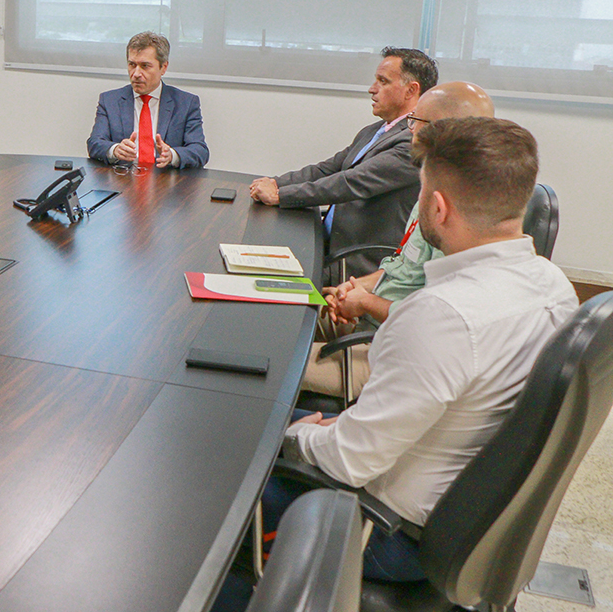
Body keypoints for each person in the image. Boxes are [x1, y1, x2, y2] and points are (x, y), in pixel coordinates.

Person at [218, 117, 577, 609]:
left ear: (438, 205)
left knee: (215, 488)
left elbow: (349, 459)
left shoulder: (442, 314)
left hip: (386, 530)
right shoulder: (554, 285)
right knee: (256, 420)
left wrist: (297, 436)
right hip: (468, 508)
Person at [304, 82, 496, 398]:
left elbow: (434, 323)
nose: (409, 130)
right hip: (370, 319)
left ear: (441, 130)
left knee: (273, 363)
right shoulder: (433, 183)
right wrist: (358, 287)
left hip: (393, 353)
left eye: (415, 122)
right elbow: (404, 266)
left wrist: (365, 302)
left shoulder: (462, 214)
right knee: (274, 322)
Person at [250, 47, 437, 280]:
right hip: (327, 239)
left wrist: (280, 196)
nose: (372, 89)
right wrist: (272, 183)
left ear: (411, 90)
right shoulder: (376, 130)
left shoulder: (413, 141)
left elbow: (352, 183)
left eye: (382, 81)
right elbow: (327, 168)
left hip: (354, 261)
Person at [86, 31, 208, 170]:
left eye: (145, 66)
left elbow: (200, 151)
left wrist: (172, 155)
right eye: (132, 65)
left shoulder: (186, 103)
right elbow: (94, 143)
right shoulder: (110, 100)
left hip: (167, 184)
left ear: (163, 67)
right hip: (123, 181)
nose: (136, 74)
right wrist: (114, 150)